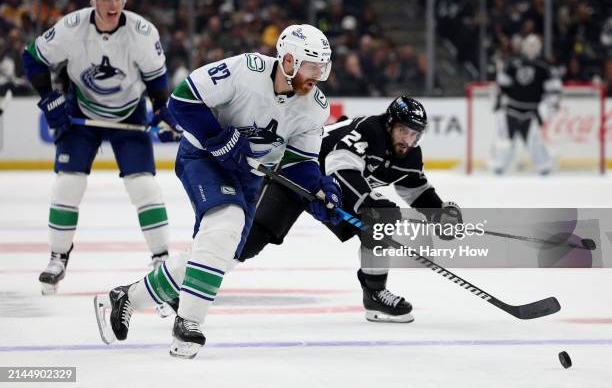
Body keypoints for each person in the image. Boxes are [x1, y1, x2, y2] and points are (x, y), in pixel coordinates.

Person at [94, 24, 342, 359]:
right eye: (312, 67)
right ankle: (188, 323)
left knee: (219, 254)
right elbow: (182, 101)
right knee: (226, 223)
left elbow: (300, 163)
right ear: (288, 60)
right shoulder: (245, 70)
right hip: (204, 157)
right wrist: (218, 137)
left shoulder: (315, 106)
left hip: (248, 175)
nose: (319, 76)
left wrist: (321, 189)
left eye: (322, 67)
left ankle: (128, 297)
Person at [21, 0, 182, 296]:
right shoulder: (71, 27)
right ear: (92, 0)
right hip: (82, 111)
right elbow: (32, 58)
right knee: (68, 183)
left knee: (144, 187)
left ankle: (161, 258)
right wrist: (49, 97)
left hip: (130, 112)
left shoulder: (141, 31)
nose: (113, 3)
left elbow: (156, 79)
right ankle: (58, 256)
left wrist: (162, 112)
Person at [239, 96, 463, 323]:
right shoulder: (370, 131)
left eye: (415, 134)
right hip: (297, 175)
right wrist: (370, 201)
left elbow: (416, 190)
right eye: (403, 130)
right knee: (253, 239)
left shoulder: (410, 154)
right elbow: (339, 167)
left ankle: (374, 294)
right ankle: (208, 268)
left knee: (378, 224)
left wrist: (438, 215)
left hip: (332, 191)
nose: (408, 139)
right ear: (389, 124)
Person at [491, 34, 562, 175]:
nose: (531, 48)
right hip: (511, 109)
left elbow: (553, 89)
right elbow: (501, 84)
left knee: (534, 142)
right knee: (505, 142)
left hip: (531, 112)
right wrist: (498, 101)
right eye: (529, 45)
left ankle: (544, 168)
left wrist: (551, 106)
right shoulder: (512, 63)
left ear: (539, 48)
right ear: (524, 46)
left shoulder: (545, 66)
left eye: (534, 45)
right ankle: (498, 167)